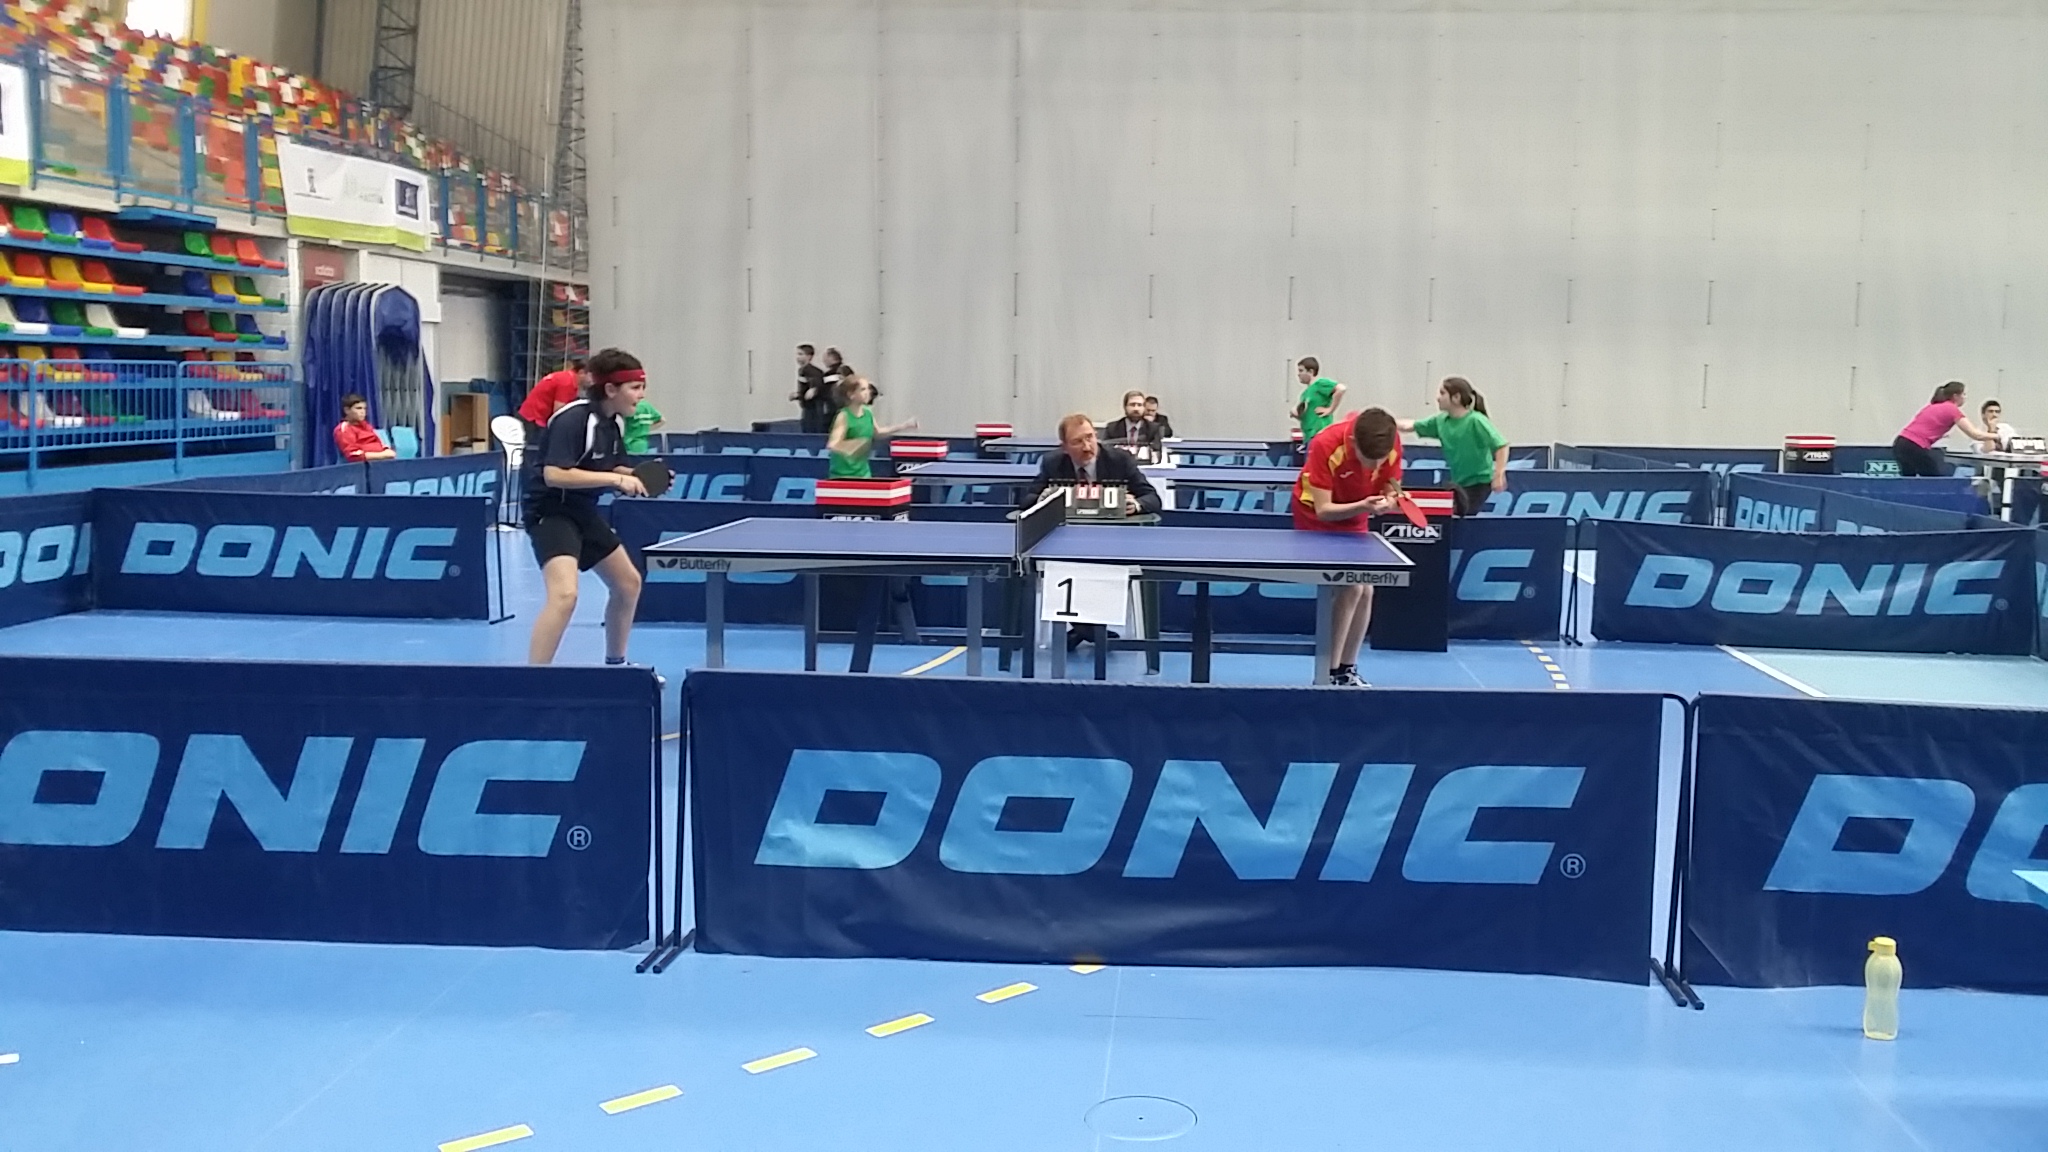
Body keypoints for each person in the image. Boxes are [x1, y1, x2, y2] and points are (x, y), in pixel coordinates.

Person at [525, 347, 651, 666]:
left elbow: (613, 465)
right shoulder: (574, 419)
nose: (641, 395)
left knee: (628, 584)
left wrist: (637, 476)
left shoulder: (613, 423)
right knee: (565, 595)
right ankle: (532, 680)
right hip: (551, 512)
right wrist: (615, 479)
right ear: (611, 389)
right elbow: (554, 474)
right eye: (635, 387)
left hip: (583, 511)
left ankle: (616, 665)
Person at [1293, 408, 1403, 686]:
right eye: (1368, 460)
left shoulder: (1389, 441)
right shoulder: (1325, 444)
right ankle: (1327, 674)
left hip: (1356, 514)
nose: (1374, 467)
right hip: (1315, 516)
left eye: (1379, 460)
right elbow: (1323, 509)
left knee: (1367, 589)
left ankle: (1346, 669)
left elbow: (1392, 487)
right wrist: (1364, 505)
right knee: (1351, 586)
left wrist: (1390, 501)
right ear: (1353, 442)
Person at [1399, 376, 1508, 516]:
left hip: (1479, 482)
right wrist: (1385, 422)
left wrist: (1498, 475)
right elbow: (1409, 426)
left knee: (1462, 517)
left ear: (1456, 397)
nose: (1438, 398)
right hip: (1459, 483)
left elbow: (1501, 445)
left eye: (1442, 393)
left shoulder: (1476, 420)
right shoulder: (1440, 421)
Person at [1026, 413, 1164, 515]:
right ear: (1064, 448)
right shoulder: (1053, 463)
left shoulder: (1120, 460)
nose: (1087, 447)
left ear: (1096, 435)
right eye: (1077, 442)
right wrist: (1042, 501)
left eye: (1089, 437)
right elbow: (1027, 500)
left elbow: (1153, 498)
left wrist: (1136, 504)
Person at [1893, 381, 1999, 477]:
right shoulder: (1952, 409)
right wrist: (1997, 436)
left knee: (1909, 480)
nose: (1965, 397)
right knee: (1935, 481)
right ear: (1955, 396)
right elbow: (1975, 434)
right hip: (1914, 446)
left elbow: (1926, 426)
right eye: (1964, 394)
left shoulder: (1932, 406)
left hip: (1900, 443)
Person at [827, 376, 917, 479]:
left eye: (868, 389)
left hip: (863, 473)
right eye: (863, 389)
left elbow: (877, 432)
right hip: (843, 475)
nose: (868, 392)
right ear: (851, 395)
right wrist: (855, 445)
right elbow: (833, 444)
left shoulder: (868, 412)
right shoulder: (843, 416)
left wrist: (904, 426)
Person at [517, 357, 587, 442]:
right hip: (534, 419)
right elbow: (559, 411)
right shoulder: (568, 382)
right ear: (581, 373)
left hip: (530, 415)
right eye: (591, 376)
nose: (592, 380)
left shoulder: (565, 376)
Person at [1293, 357, 1345, 443]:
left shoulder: (1320, 383)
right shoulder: (1304, 394)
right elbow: (1308, 414)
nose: (1298, 374)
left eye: (1301, 371)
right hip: (1308, 436)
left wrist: (1330, 410)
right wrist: (1297, 415)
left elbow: (1341, 389)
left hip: (1320, 434)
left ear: (1311, 372)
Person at [332, 393, 396, 462]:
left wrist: (387, 451)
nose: (363, 412)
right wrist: (383, 455)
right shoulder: (343, 429)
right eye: (358, 408)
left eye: (364, 409)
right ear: (347, 410)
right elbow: (353, 455)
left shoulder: (367, 426)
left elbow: (380, 444)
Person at [792, 344, 830, 434]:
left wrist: (814, 389)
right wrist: (798, 395)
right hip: (807, 406)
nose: (798, 357)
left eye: (801, 354)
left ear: (809, 356)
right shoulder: (802, 370)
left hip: (814, 407)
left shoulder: (812, 371)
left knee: (812, 430)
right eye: (797, 354)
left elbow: (818, 383)